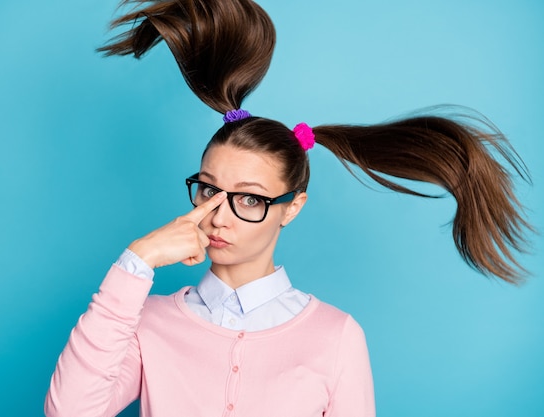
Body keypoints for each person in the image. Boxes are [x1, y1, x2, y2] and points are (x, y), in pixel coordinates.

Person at [44, 1, 532, 416]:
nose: (220, 214)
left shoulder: (335, 335)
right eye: (209, 189)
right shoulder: (146, 321)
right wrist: (138, 260)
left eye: (250, 198)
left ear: (291, 207)